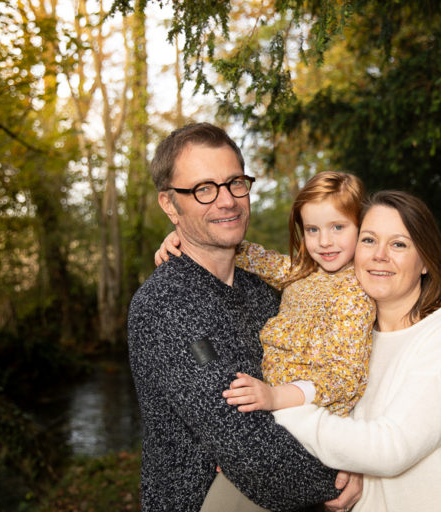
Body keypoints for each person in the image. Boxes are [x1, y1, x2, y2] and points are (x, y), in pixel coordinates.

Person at [127, 122, 358, 512]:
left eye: (235, 182)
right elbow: (246, 445)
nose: (227, 201)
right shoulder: (166, 305)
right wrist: (339, 478)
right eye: (203, 189)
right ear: (170, 204)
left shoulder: (263, 288)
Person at [273, 190, 441, 511]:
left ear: (424, 262)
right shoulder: (350, 340)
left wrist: (277, 404)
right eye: (368, 240)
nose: (380, 255)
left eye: (399, 244)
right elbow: (342, 435)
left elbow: (389, 450)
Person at [157, 171, 376, 418]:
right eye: (313, 229)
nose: (324, 241)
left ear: (362, 227)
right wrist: (186, 237)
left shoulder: (355, 294)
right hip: (273, 400)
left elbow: (344, 378)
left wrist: (275, 397)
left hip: (311, 412)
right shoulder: (300, 271)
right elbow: (254, 257)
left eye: (338, 227)